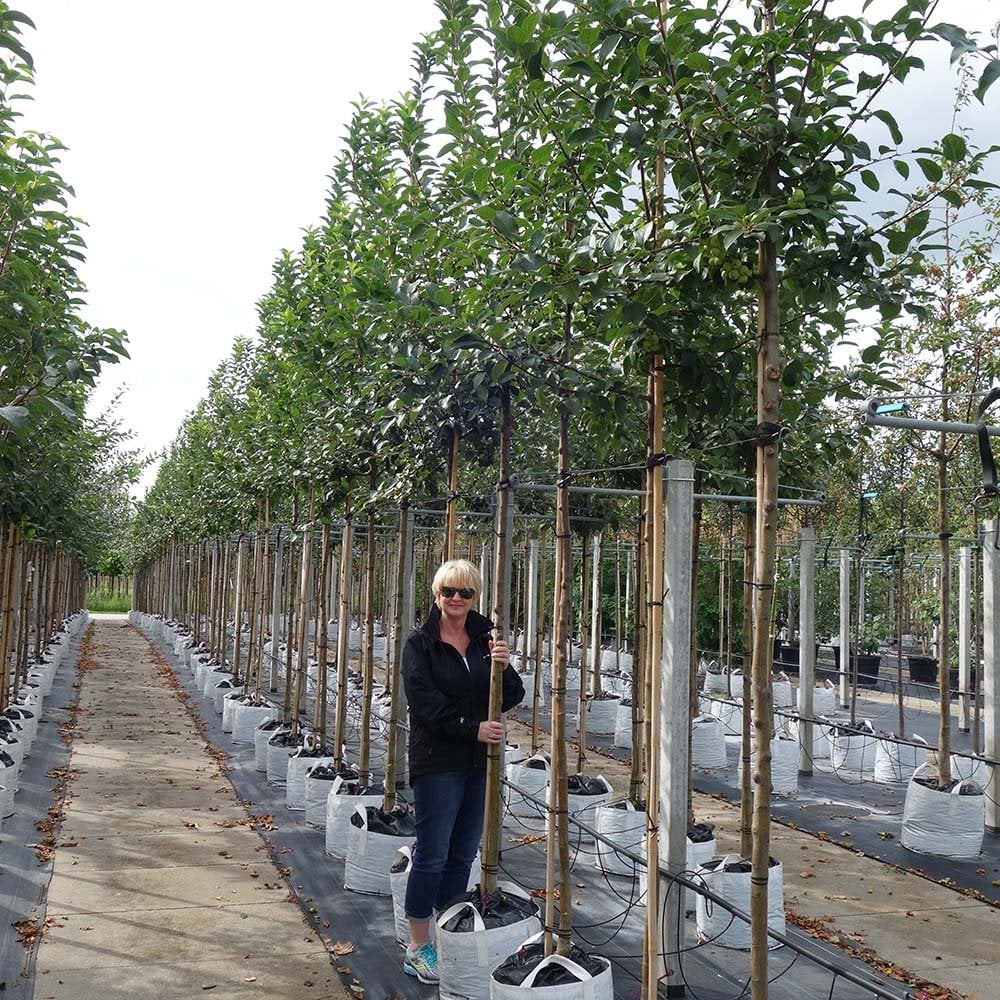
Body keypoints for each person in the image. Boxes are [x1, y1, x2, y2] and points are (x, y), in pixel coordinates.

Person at [400, 558, 525, 983]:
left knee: (462, 854)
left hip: (478, 763)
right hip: (438, 761)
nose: (455, 599)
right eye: (448, 592)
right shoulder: (420, 644)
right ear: (436, 595)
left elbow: (510, 696)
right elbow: (425, 706)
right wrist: (472, 729)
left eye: (464, 592)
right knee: (431, 854)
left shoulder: (486, 641)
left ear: (476, 597)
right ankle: (417, 945)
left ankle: (444, 934)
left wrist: (503, 668)